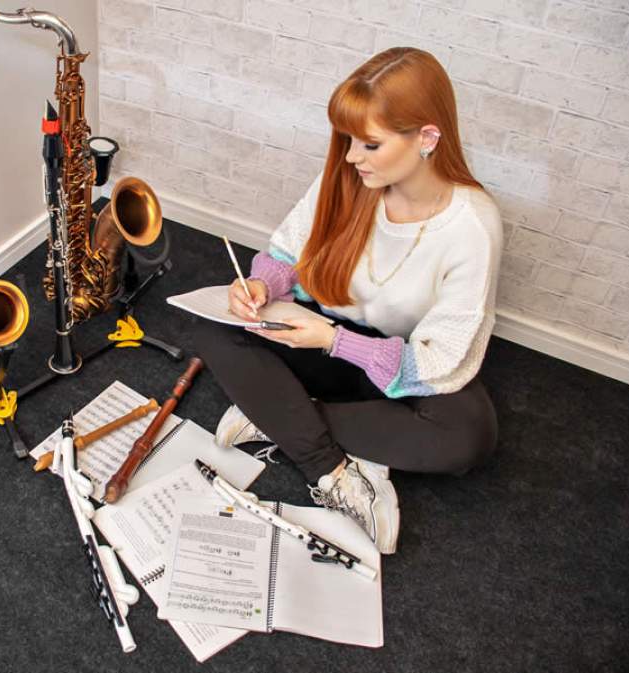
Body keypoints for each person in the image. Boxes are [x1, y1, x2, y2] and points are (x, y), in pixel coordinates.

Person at [192, 47, 501, 555]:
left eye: (371, 144)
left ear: (427, 138)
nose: (352, 156)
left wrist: (337, 341)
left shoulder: (472, 226)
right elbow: (289, 254)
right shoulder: (350, 174)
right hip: (319, 335)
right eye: (350, 140)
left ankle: (277, 415)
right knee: (213, 326)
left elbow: (443, 361)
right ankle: (331, 470)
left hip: (397, 363)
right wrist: (263, 286)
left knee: (470, 436)